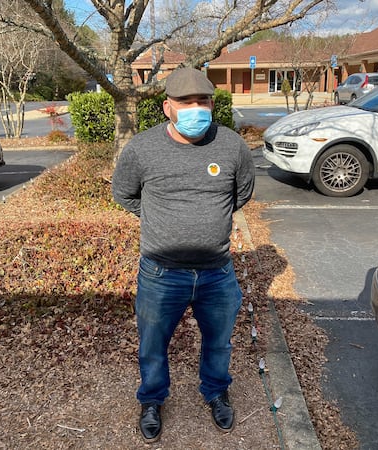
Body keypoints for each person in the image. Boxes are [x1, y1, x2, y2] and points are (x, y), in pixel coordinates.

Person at [111, 67, 255, 443]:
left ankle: (216, 392)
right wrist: (163, 220)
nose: (196, 108)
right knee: (153, 344)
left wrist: (205, 220)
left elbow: (241, 194)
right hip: (161, 274)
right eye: (186, 102)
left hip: (217, 273)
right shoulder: (142, 148)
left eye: (203, 100)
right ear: (167, 107)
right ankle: (153, 400)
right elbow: (124, 194)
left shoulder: (232, 146)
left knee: (219, 342)